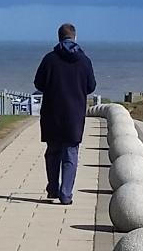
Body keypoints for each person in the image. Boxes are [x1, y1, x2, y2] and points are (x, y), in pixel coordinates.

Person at [34, 22, 97, 205]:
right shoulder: (84, 60)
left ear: (59, 37)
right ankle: (66, 193)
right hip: (74, 114)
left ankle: (53, 188)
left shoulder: (49, 59)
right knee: (70, 154)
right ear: (75, 37)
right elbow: (91, 86)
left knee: (52, 152)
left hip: (52, 112)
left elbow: (38, 84)